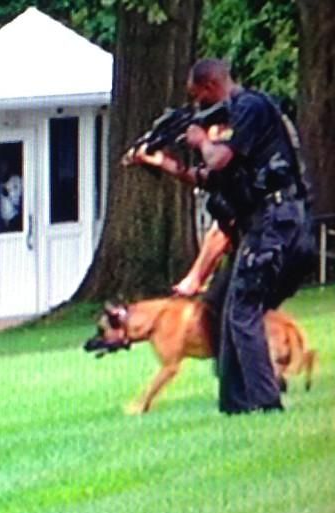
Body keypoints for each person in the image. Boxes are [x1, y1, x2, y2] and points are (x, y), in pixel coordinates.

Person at [125, 58, 316, 415]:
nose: (200, 109)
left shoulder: (251, 107)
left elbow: (218, 161)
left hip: (278, 223)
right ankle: (234, 403)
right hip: (267, 224)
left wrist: (199, 141)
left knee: (242, 308)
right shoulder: (242, 129)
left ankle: (265, 401)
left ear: (211, 87)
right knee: (223, 305)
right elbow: (211, 179)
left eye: (199, 98)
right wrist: (164, 164)